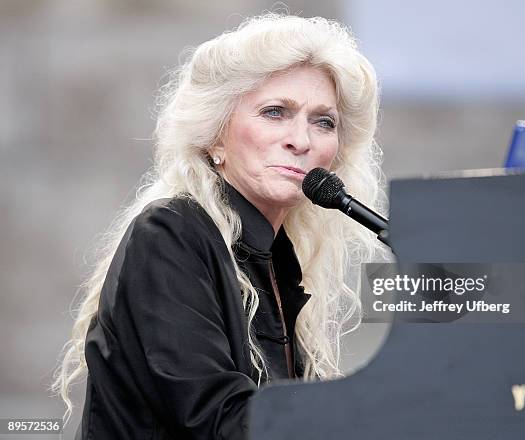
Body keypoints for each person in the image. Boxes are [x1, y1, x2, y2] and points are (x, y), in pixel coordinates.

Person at [52, 12, 386, 440]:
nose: (301, 140)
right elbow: (218, 421)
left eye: (324, 122)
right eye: (274, 112)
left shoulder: (275, 258)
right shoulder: (169, 236)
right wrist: (372, 406)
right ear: (214, 135)